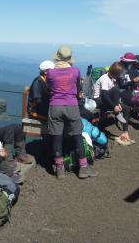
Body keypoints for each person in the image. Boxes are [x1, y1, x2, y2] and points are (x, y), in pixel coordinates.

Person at [46, 45, 97, 180]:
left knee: (57, 136)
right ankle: (83, 168)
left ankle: (60, 169)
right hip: (72, 105)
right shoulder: (75, 71)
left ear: (57, 57)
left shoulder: (50, 72)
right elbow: (78, 86)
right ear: (69, 58)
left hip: (55, 106)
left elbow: (48, 87)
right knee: (77, 135)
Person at [93, 62, 134, 145]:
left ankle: (125, 133)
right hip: (99, 100)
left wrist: (117, 104)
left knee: (126, 108)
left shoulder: (112, 78)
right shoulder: (104, 79)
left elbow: (112, 95)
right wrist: (114, 106)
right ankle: (117, 112)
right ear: (116, 73)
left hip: (107, 99)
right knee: (115, 89)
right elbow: (104, 95)